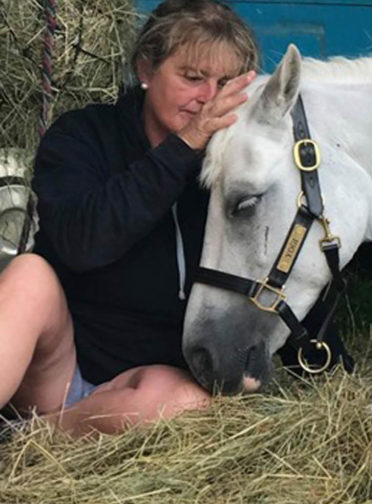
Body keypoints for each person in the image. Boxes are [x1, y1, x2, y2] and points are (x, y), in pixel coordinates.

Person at [0, 0, 324, 436]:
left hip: (150, 386)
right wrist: (181, 149)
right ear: (146, 70)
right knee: (28, 275)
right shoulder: (84, 135)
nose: (208, 97)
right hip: (60, 366)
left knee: (187, 403)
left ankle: (28, 438)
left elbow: (277, 263)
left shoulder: (234, 168)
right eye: (192, 78)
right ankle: (51, 422)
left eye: (225, 83)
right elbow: (82, 243)